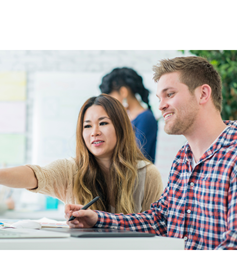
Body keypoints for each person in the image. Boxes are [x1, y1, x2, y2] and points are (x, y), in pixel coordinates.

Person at [66, 56, 237, 250]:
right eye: (159, 98)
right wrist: (97, 218)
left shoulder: (233, 156)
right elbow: (160, 220)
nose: (161, 105)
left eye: (170, 94)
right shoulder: (183, 158)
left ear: (203, 94)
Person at [0, 94, 163, 214]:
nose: (94, 131)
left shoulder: (147, 174)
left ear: (121, 128)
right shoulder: (72, 170)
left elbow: (157, 228)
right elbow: (36, 175)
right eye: (87, 126)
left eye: (103, 123)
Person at [100, 67, 158, 163]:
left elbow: (136, 157)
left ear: (123, 92)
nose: (110, 104)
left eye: (111, 99)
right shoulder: (129, 117)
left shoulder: (145, 117)